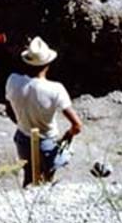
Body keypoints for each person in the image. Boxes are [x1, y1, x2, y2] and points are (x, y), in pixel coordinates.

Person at [5, 36, 82, 186]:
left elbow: (9, 109)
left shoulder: (13, 80)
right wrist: (67, 135)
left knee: (29, 175)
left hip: (23, 137)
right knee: (48, 177)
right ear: (47, 64)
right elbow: (77, 126)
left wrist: (21, 120)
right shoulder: (55, 89)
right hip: (47, 141)